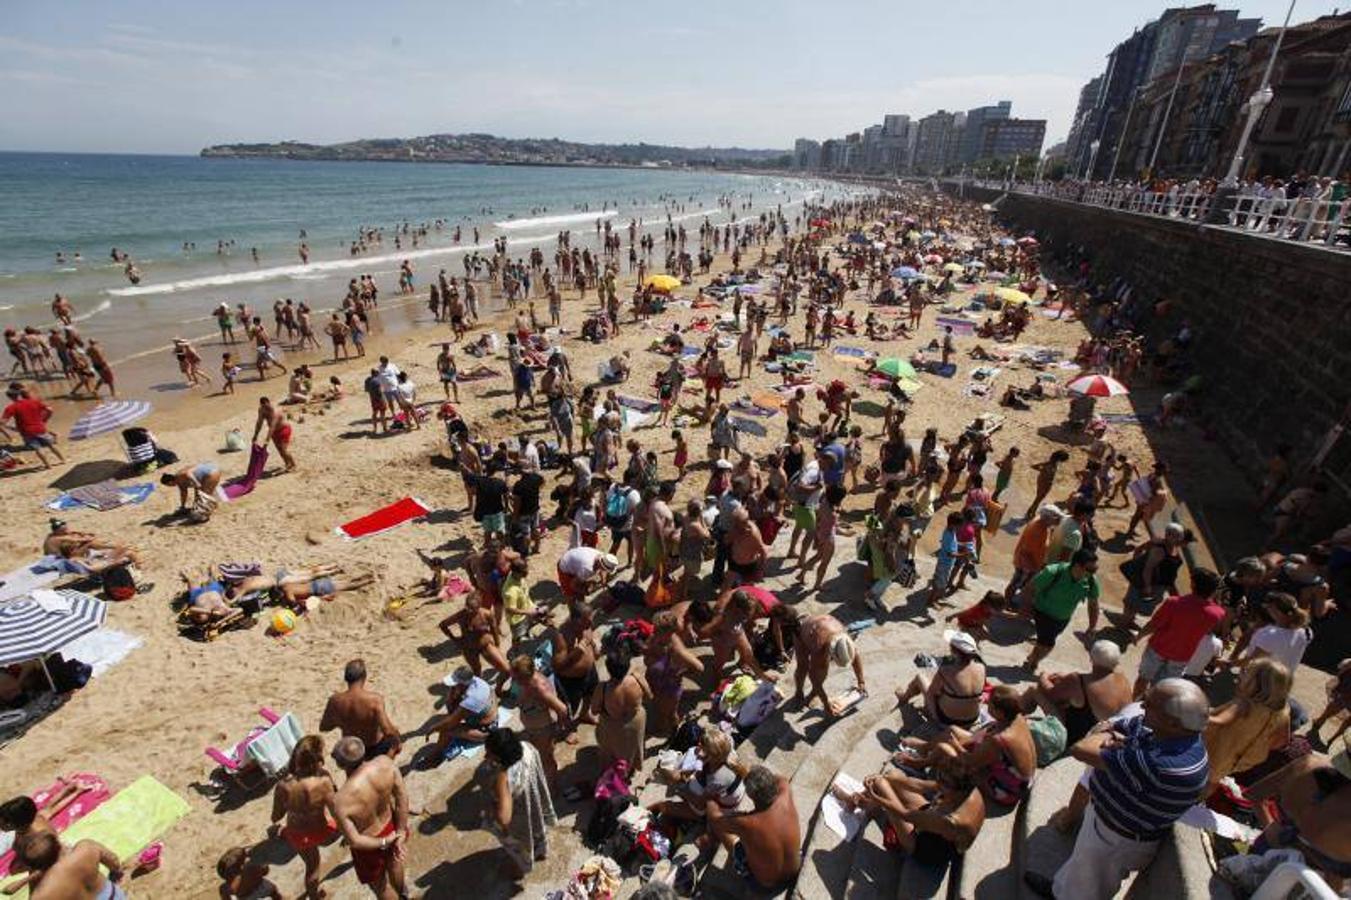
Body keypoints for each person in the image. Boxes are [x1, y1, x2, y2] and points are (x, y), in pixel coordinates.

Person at [1024, 679, 1210, 900]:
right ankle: (1059, 890)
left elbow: (1082, 749)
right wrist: (1113, 738)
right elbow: (1129, 726)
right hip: (1110, 826)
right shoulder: (1178, 735)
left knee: (1087, 889)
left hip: (1116, 839)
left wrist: (1108, 736)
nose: (1142, 705)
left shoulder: (1160, 763)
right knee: (1081, 872)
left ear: (1173, 723)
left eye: (1150, 704)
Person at [833, 765, 985, 879]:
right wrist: (887, 778)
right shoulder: (969, 790)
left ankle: (857, 802)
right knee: (891, 774)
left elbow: (904, 814)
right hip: (933, 822)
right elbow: (919, 785)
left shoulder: (951, 821)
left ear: (955, 790)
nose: (938, 783)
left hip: (925, 847)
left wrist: (877, 792)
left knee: (880, 786)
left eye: (943, 782)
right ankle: (863, 802)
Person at [899, 685, 1036, 809]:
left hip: (1006, 790)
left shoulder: (999, 739)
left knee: (944, 749)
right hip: (1015, 775)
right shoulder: (1017, 717)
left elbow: (969, 761)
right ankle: (925, 747)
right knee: (953, 730)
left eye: (991, 704)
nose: (987, 702)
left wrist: (956, 746)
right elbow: (982, 735)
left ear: (1000, 712)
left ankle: (918, 764)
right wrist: (963, 742)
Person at [326, 736, 409, 900]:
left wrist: (385, 842)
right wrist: (399, 833)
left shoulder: (340, 801)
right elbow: (402, 798)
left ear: (340, 765)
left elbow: (355, 840)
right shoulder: (385, 763)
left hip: (369, 842)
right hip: (391, 825)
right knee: (395, 862)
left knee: (380, 886)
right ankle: (403, 894)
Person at [1130, 567, 1227, 697]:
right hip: (1181, 657)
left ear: (1193, 584)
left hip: (1158, 648)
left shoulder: (1173, 603)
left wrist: (1139, 635)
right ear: (1214, 590)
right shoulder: (1218, 614)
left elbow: (1154, 625)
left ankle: (1134, 702)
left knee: (1143, 679)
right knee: (1164, 688)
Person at [706, 765, 801, 892]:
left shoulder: (745, 823)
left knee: (722, 832)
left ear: (751, 797)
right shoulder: (786, 792)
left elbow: (715, 819)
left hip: (764, 885)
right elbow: (781, 778)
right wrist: (751, 775)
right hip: (794, 872)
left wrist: (709, 798)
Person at [1204, 657, 1291, 795]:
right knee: (1214, 779)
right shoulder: (1282, 713)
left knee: (1202, 777)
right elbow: (1282, 741)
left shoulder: (1243, 705)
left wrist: (1194, 714)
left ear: (1257, 683)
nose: (1240, 674)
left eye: (1246, 672)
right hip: (1242, 759)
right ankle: (1199, 804)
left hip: (1216, 750)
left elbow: (1219, 720)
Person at [1021, 640, 1133, 747]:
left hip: (1071, 735)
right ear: (1116, 662)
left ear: (1091, 658)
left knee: (1034, 690)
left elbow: (1050, 693)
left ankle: (1012, 716)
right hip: (1099, 734)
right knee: (1070, 699)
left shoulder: (1078, 681)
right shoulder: (1123, 681)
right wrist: (1065, 678)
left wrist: (1043, 676)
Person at [482, 727, 557, 878]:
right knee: (537, 827)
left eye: (490, 753)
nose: (486, 756)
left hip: (520, 815)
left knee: (520, 843)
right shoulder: (526, 747)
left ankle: (519, 868)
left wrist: (493, 812)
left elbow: (504, 818)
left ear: (500, 757)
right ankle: (540, 851)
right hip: (533, 801)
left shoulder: (503, 778)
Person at [268, 735, 337, 899]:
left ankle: (313, 896)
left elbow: (275, 816)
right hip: (322, 829)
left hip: (299, 836)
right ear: (318, 759)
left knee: (312, 866)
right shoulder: (324, 779)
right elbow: (336, 810)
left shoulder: (283, 786)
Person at [1021, 549, 1101, 672]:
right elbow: (1029, 589)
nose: (1093, 574)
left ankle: (1032, 658)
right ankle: (1033, 661)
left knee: (1045, 641)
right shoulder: (1053, 572)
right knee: (1048, 644)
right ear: (1077, 566)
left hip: (1062, 619)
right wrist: (1026, 608)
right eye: (1090, 570)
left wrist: (1092, 626)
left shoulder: (1091, 581)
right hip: (1042, 612)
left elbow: (1093, 604)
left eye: (1095, 570)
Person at [895, 630, 987, 729]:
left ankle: (904, 698)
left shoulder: (946, 671)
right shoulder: (981, 667)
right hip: (972, 718)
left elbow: (931, 693)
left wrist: (934, 715)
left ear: (953, 650)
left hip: (948, 720)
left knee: (920, 678)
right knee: (950, 691)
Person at [319, 659, 402, 761]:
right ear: (364, 677)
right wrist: (396, 740)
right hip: (373, 747)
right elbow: (387, 730)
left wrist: (343, 721)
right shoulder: (374, 700)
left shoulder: (335, 701)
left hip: (351, 749)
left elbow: (324, 727)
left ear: (346, 678)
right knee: (394, 738)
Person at [510, 655, 569, 787]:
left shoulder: (539, 689)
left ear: (526, 676)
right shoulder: (529, 680)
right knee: (543, 754)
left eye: (516, 677)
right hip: (535, 728)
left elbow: (562, 709)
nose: (513, 679)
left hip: (543, 730)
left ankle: (552, 785)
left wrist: (559, 727)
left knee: (546, 759)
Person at [590, 645, 651, 773]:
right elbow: (650, 696)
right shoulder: (637, 679)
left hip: (613, 725)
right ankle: (630, 769)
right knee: (632, 747)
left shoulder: (603, 687)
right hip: (635, 721)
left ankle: (613, 773)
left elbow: (594, 710)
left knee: (610, 751)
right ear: (627, 666)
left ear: (608, 669)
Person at [792, 614, 865, 718]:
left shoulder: (845, 639)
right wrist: (826, 704)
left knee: (822, 672)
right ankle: (799, 692)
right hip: (802, 631)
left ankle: (814, 693)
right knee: (803, 667)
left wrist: (861, 681)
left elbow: (855, 657)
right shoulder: (820, 648)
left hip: (820, 627)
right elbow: (814, 678)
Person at [14, 833, 126, 900]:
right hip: (114, 896)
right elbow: (114, 862)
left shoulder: (41, 894)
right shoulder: (86, 848)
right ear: (58, 845)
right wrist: (114, 873)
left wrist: (33, 881)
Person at [1, 383, 64, 468]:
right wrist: (44, 419)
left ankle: (48, 465)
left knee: (38, 449)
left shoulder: (11, 407)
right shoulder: (34, 401)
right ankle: (62, 460)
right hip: (40, 428)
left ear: (10, 397)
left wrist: (10, 427)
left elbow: (2, 422)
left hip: (27, 432)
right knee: (51, 446)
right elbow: (49, 409)